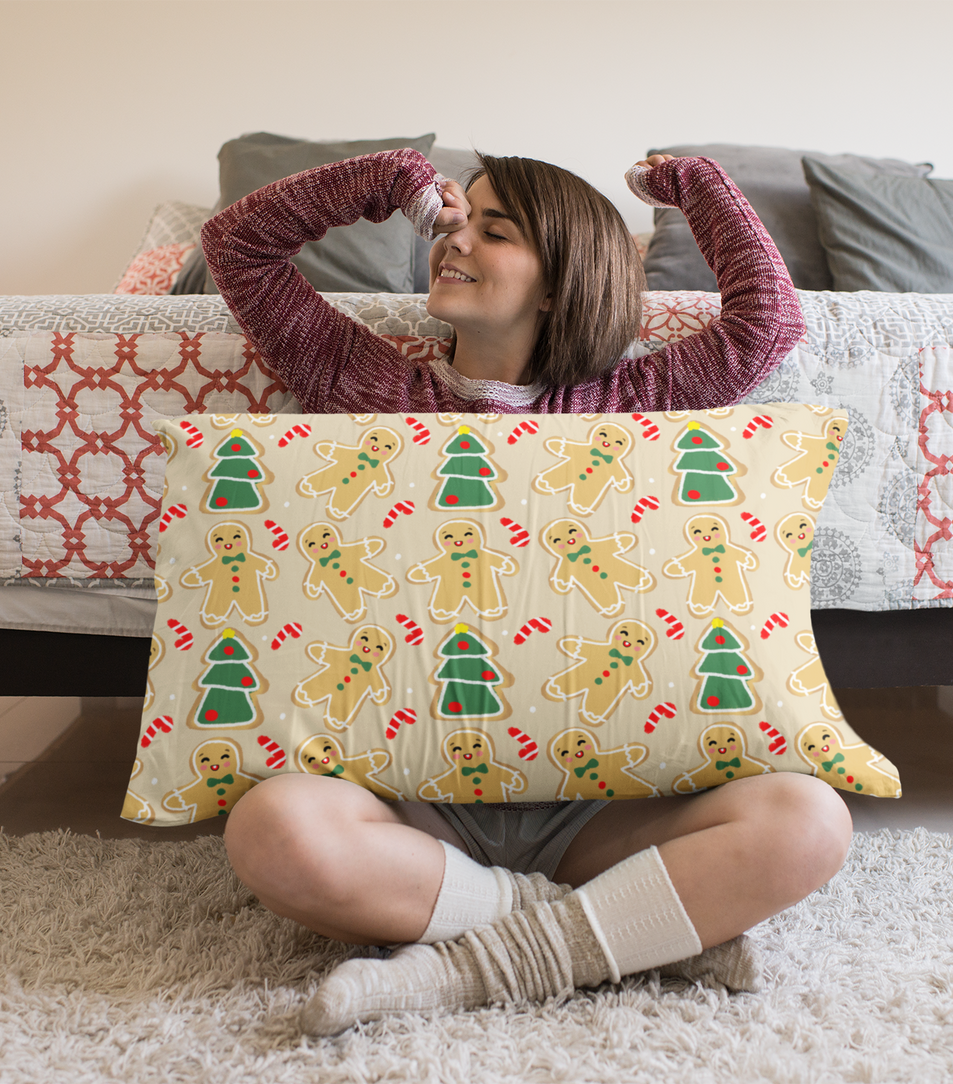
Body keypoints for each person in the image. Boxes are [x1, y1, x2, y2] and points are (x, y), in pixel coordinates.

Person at [201, 147, 853, 1037]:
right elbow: (237, 247)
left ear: (559, 283)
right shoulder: (371, 387)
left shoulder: (638, 399)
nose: (451, 238)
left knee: (808, 818)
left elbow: (768, 322)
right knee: (270, 829)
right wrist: (375, 184)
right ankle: (633, 935)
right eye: (453, 218)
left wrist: (696, 187)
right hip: (413, 800)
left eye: (492, 229)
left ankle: (453, 970)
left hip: (600, 804)